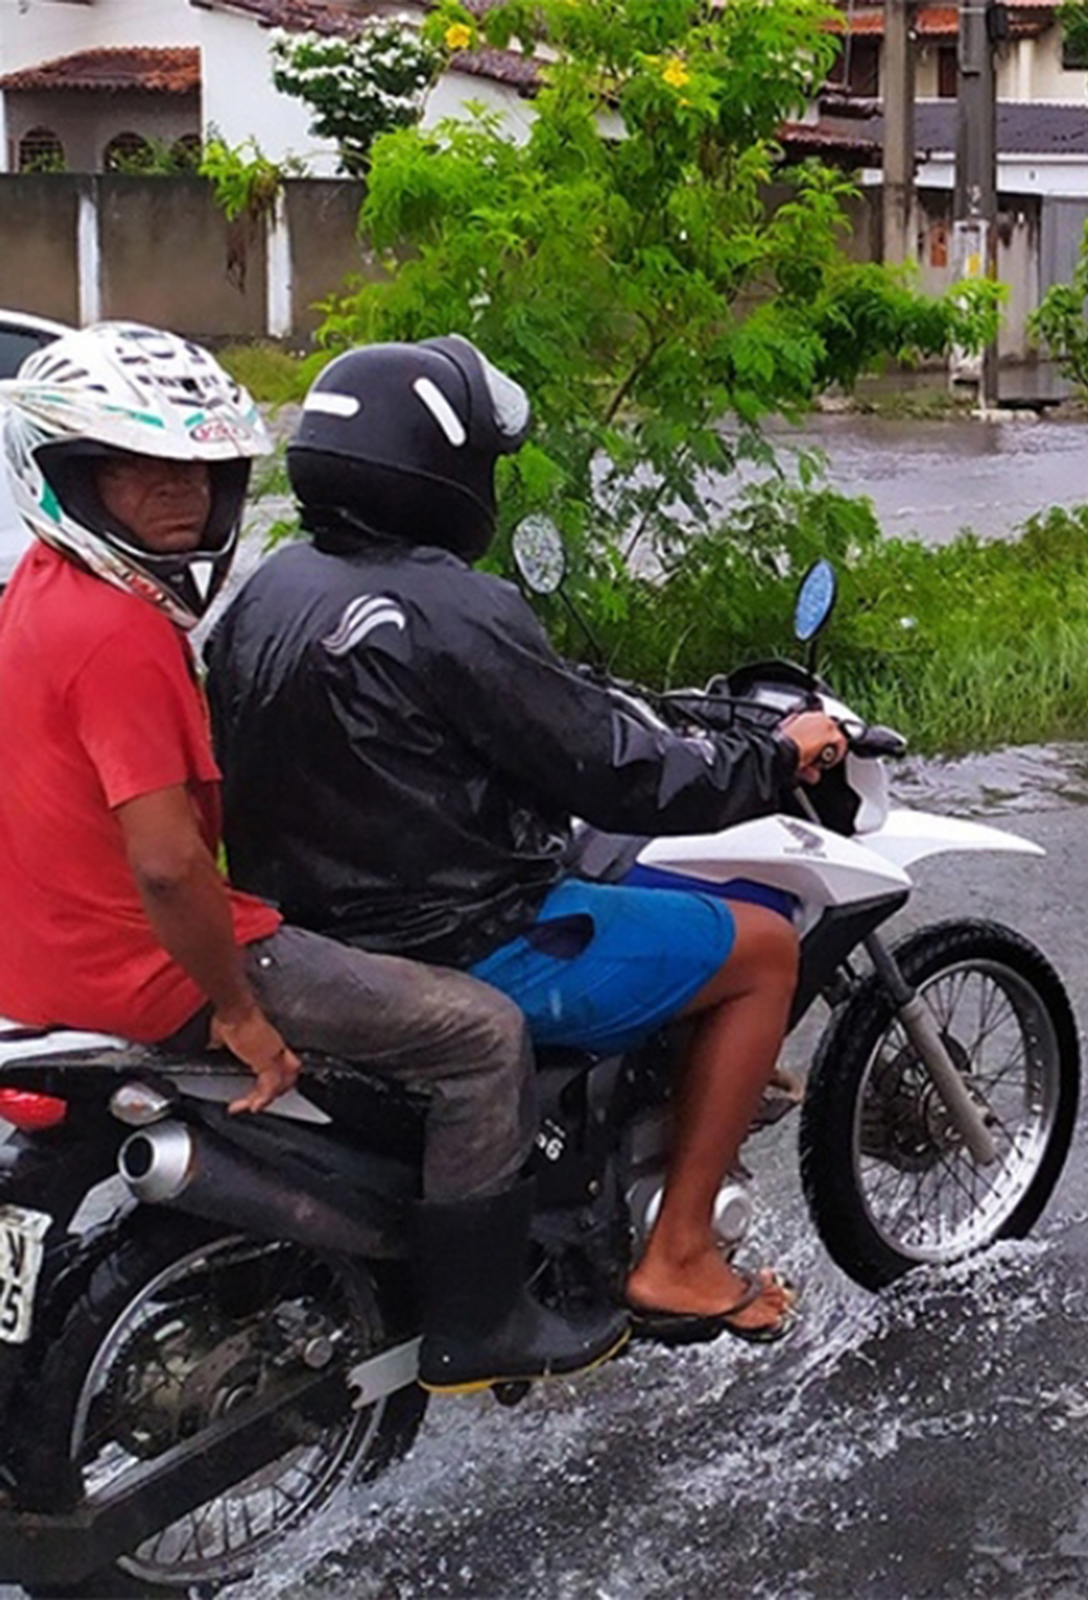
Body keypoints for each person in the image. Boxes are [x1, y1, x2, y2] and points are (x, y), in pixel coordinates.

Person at [0, 321, 624, 1392]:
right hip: (149, 963)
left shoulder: (37, 597)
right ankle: (477, 1326)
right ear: (70, 475)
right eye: (141, 469)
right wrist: (236, 1005)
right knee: (482, 1036)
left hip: (42, 965)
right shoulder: (123, 636)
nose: (183, 496)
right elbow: (164, 867)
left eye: (202, 469)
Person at [205, 335, 850, 1344]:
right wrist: (770, 758)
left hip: (318, 935)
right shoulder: (453, 605)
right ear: (438, 467)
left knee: (628, 877)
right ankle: (680, 1252)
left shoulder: (271, 591)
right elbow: (620, 770)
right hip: (464, 937)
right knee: (762, 947)